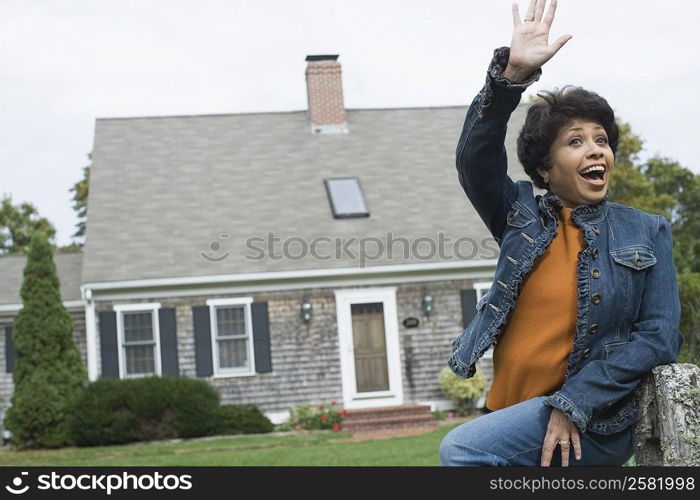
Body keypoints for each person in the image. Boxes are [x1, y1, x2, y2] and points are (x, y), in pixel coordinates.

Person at [439, 0, 684, 467]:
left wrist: (574, 400)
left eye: (601, 139)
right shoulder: (520, 218)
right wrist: (509, 78)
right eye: (575, 141)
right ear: (546, 169)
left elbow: (657, 337)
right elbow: (475, 159)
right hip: (510, 413)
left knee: (462, 450)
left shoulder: (646, 231)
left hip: (589, 422)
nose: (596, 150)